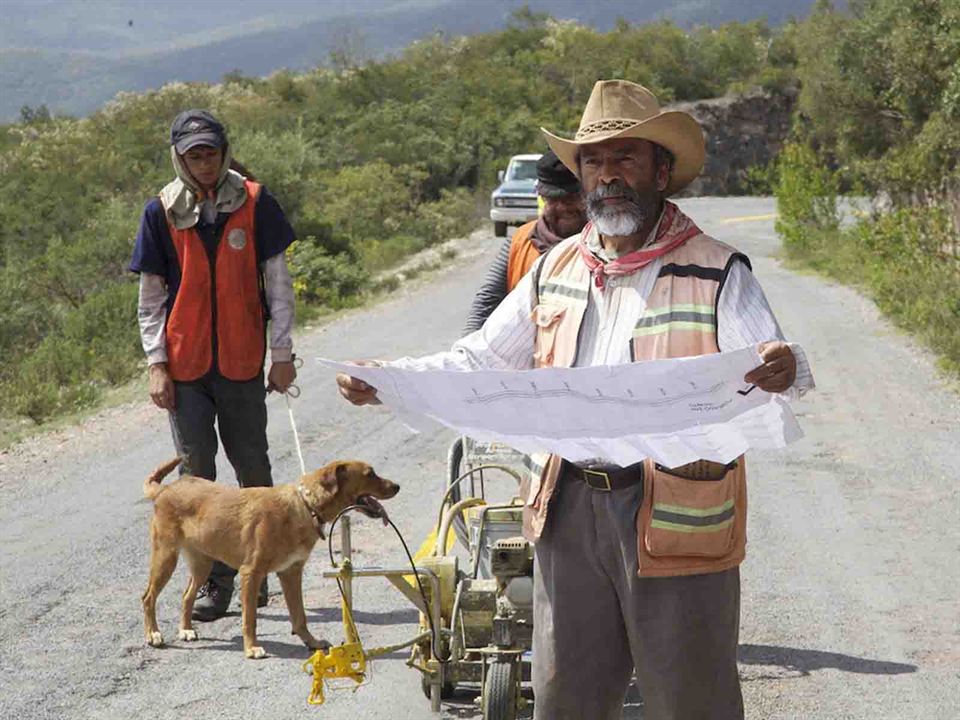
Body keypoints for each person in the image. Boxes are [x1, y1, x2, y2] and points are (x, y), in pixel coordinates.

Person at [337, 80, 815, 719]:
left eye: (626, 159)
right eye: (594, 161)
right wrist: (389, 378)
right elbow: (477, 360)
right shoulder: (554, 265)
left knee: (689, 697)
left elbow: (766, 358)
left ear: (661, 171)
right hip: (567, 509)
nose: (608, 176)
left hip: (675, 508)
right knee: (566, 697)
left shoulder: (717, 268)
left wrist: (783, 367)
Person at [130, 109, 298, 622]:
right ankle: (215, 585)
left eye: (211, 152)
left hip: (244, 359)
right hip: (186, 365)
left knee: (253, 469)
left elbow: (278, 284)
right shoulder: (161, 210)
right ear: (179, 157)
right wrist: (157, 364)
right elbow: (151, 298)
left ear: (225, 153)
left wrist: (284, 355)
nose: (204, 163)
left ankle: (259, 572)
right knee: (196, 477)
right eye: (193, 154)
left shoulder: (253, 201)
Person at [463, 150, 586, 333]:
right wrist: (468, 345)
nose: (562, 207)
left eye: (571, 199)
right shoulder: (520, 240)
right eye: (553, 199)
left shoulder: (608, 242)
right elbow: (487, 302)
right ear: (542, 198)